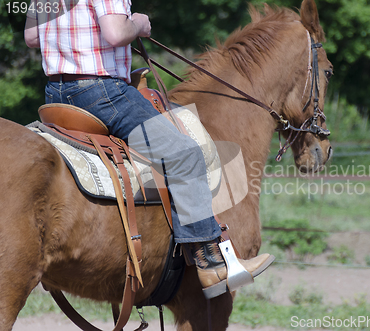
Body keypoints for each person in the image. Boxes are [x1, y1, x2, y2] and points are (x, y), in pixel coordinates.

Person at [24, 0, 273, 299]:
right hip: (102, 94)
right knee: (184, 152)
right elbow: (116, 33)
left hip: (56, 92)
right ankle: (211, 261)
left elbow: (32, 38)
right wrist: (139, 24)